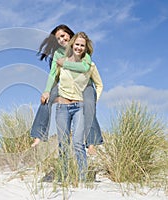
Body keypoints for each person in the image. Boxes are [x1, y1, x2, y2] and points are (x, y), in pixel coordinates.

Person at [30, 25, 103, 154]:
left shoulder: (81, 49)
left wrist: (65, 63)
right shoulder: (57, 54)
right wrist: (47, 90)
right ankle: (39, 135)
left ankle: (91, 143)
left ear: (70, 35)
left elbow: (85, 68)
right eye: (58, 38)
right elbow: (53, 74)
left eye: (63, 36)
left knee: (89, 105)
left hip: (84, 86)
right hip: (65, 86)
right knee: (46, 98)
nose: (62, 40)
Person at [55, 32, 103, 180]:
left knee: (77, 143)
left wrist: (92, 103)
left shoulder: (89, 65)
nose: (79, 47)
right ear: (72, 45)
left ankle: (82, 178)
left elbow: (99, 84)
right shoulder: (62, 62)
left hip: (80, 107)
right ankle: (63, 177)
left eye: (82, 45)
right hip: (62, 107)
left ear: (85, 48)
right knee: (63, 144)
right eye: (77, 44)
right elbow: (54, 79)